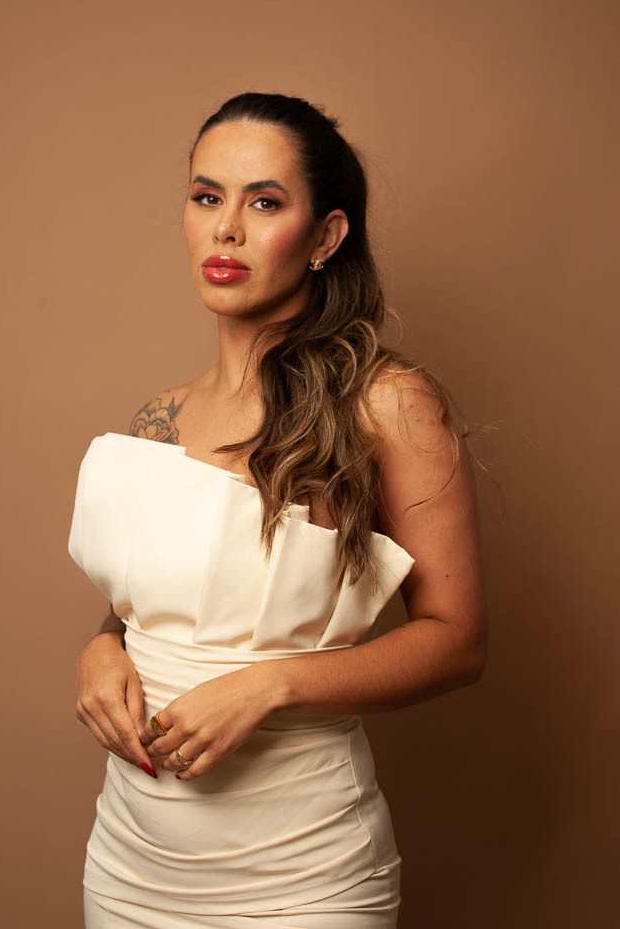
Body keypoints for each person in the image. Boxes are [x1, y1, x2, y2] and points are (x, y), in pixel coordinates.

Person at [69, 91, 488, 928]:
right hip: (129, 870)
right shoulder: (160, 418)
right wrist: (100, 646)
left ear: (325, 236)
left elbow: (456, 640)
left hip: (301, 877)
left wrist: (270, 686)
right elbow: (153, 598)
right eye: (206, 197)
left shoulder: (387, 404)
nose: (225, 229)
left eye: (263, 203)